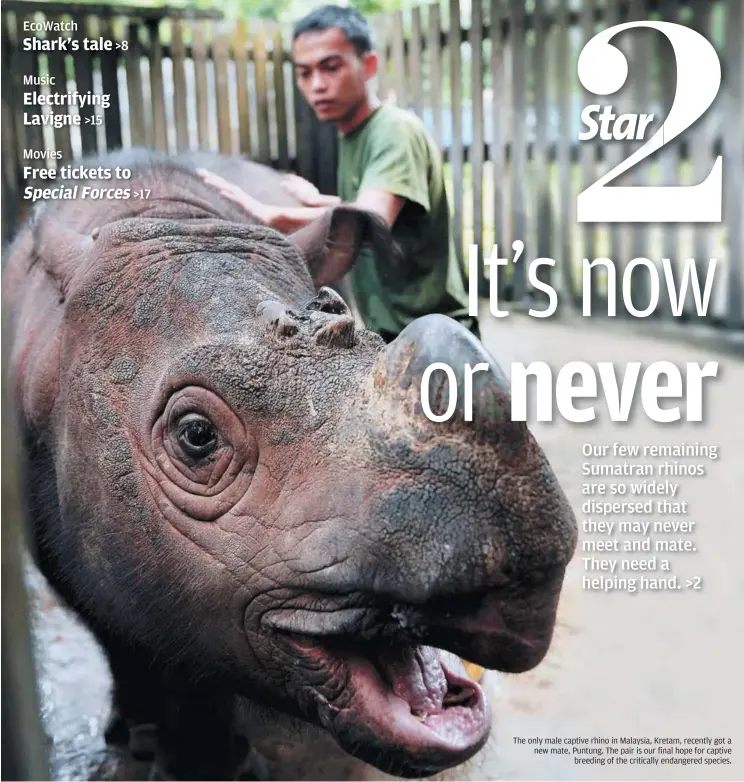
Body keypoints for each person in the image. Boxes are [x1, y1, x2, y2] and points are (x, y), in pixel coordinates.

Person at [198, 3, 479, 343]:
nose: (317, 84)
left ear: (369, 64)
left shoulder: (394, 131)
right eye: (305, 73)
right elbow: (375, 205)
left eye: (331, 67)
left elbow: (372, 219)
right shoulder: (354, 133)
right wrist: (325, 202)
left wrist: (276, 216)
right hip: (397, 334)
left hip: (437, 338)